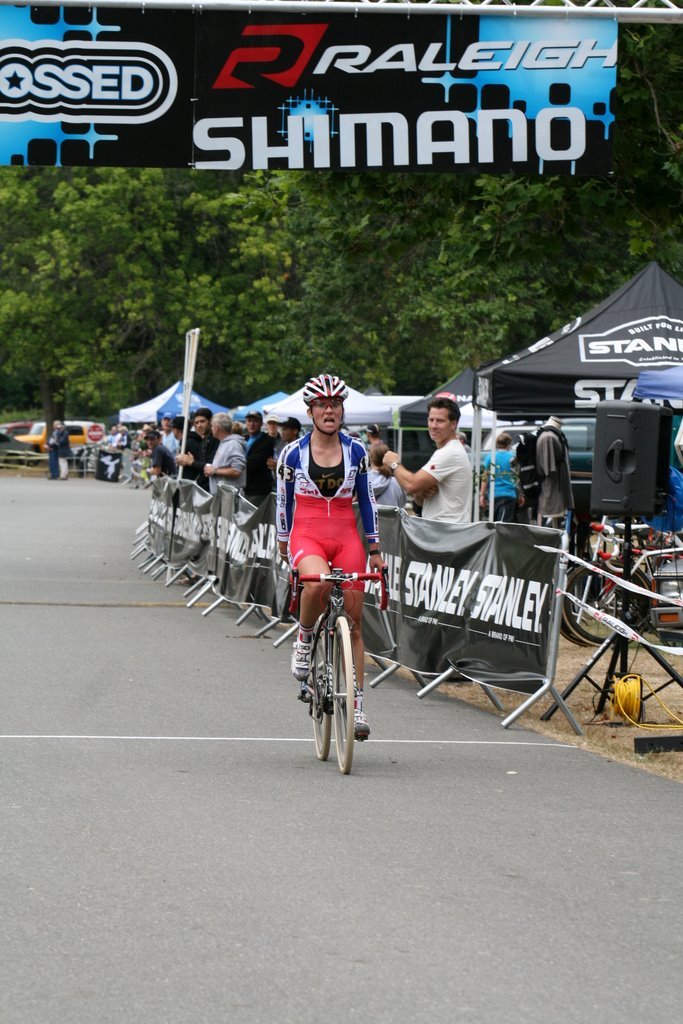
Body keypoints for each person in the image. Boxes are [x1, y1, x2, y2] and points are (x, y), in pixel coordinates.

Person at [276, 374, 382, 740]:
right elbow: (283, 501)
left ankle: (357, 706)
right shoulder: (292, 453)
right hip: (307, 533)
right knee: (316, 584)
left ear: (342, 410)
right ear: (310, 412)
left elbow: (367, 500)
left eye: (335, 404)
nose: (329, 410)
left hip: (345, 535)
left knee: (354, 622)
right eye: (321, 405)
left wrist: (375, 549)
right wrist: (283, 540)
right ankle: (305, 638)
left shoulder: (356, 451)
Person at [381, 392, 472, 523]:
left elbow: (411, 484)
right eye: (431, 420)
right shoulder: (447, 450)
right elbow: (420, 500)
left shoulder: (450, 452)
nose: (433, 426)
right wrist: (420, 493)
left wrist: (394, 463)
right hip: (443, 529)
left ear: (453, 424)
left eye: (440, 421)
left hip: (447, 530)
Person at [536, 416, 574, 524]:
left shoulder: (556, 435)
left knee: (555, 519)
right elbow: (547, 468)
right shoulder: (548, 437)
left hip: (557, 485)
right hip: (552, 488)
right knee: (551, 516)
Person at [479, 432, 524, 523]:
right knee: (502, 524)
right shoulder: (512, 458)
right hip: (508, 494)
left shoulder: (490, 457)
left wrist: (482, 495)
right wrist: (520, 495)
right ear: (509, 444)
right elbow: (516, 478)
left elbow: (484, 477)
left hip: (494, 495)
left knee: (495, 522)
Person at [175, 407, 218, 492]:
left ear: (210, 421)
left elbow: (210, 467)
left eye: (202, 421)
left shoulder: (215, 440)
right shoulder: (204, 440)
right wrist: (190, 461)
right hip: (202, 487)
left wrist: (191, 462)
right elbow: (202, 464)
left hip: (211, 488)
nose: (199, 425)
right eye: (196, 423)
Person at [203, 412, 247, 495]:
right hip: (223, 496)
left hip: (229, 498)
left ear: (216, 428)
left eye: (212, 426)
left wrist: (215, 471)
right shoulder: (224, 443)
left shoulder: (233, 444)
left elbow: (237, 470)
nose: (211, 428)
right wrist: (211, 469)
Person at [243, 410, 275, 506]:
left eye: (255, 421)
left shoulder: (267, 441)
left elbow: (253, 464)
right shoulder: (244, 438)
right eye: (249, 421)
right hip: (244, 487)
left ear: (261, 423)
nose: (252, 424)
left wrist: (235, 466)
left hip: (258, 490)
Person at [369, 443, 406, 508]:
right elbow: (401, 504)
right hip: (392, 515)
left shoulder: (363, 481)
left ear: (371, 458)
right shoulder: (397, 482)